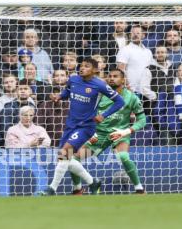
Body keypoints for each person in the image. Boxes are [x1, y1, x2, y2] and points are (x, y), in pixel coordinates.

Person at [40, 58, 125, 195]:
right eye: (81, 65)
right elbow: (68, 91)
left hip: (86, 126)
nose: (82, 68)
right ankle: (93, 182)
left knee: (64, 153)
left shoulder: (100, 85)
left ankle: (52, 189)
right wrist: (59, 96)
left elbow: (119, 102)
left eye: (87, 66)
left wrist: (103, 115)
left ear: (95, 70)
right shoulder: (73, 79)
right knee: (64, 159)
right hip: (70, 125)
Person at [70, 69, 147, 195]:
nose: (111, 78)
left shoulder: (132, 97)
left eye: (115, 76)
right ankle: (77, 189)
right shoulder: (98, 95)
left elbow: (142, 120)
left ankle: (139, 189)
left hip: (118, 134)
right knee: (72, 158)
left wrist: (126, 131)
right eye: (109, 76)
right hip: (98, 135)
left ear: (123, 80)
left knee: (123, 157)